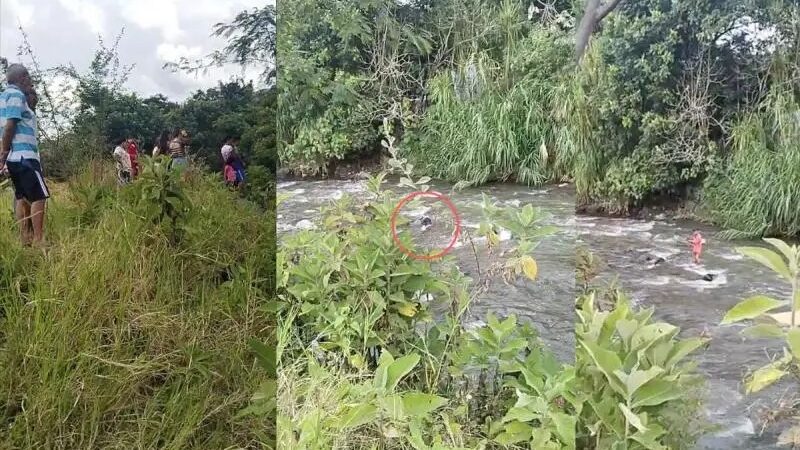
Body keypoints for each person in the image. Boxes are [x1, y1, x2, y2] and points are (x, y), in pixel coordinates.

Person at [0, 64, 49, 246]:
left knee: (21, 197)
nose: (31, 82)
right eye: (29, 78)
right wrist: (3, 153)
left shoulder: (2, 98)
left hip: (15, 158)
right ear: (22, 77)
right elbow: (10, 126)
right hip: (24, 156)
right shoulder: (16, 95)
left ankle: (24, 238)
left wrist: (5, 155)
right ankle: (38, 239)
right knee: (39, 196)